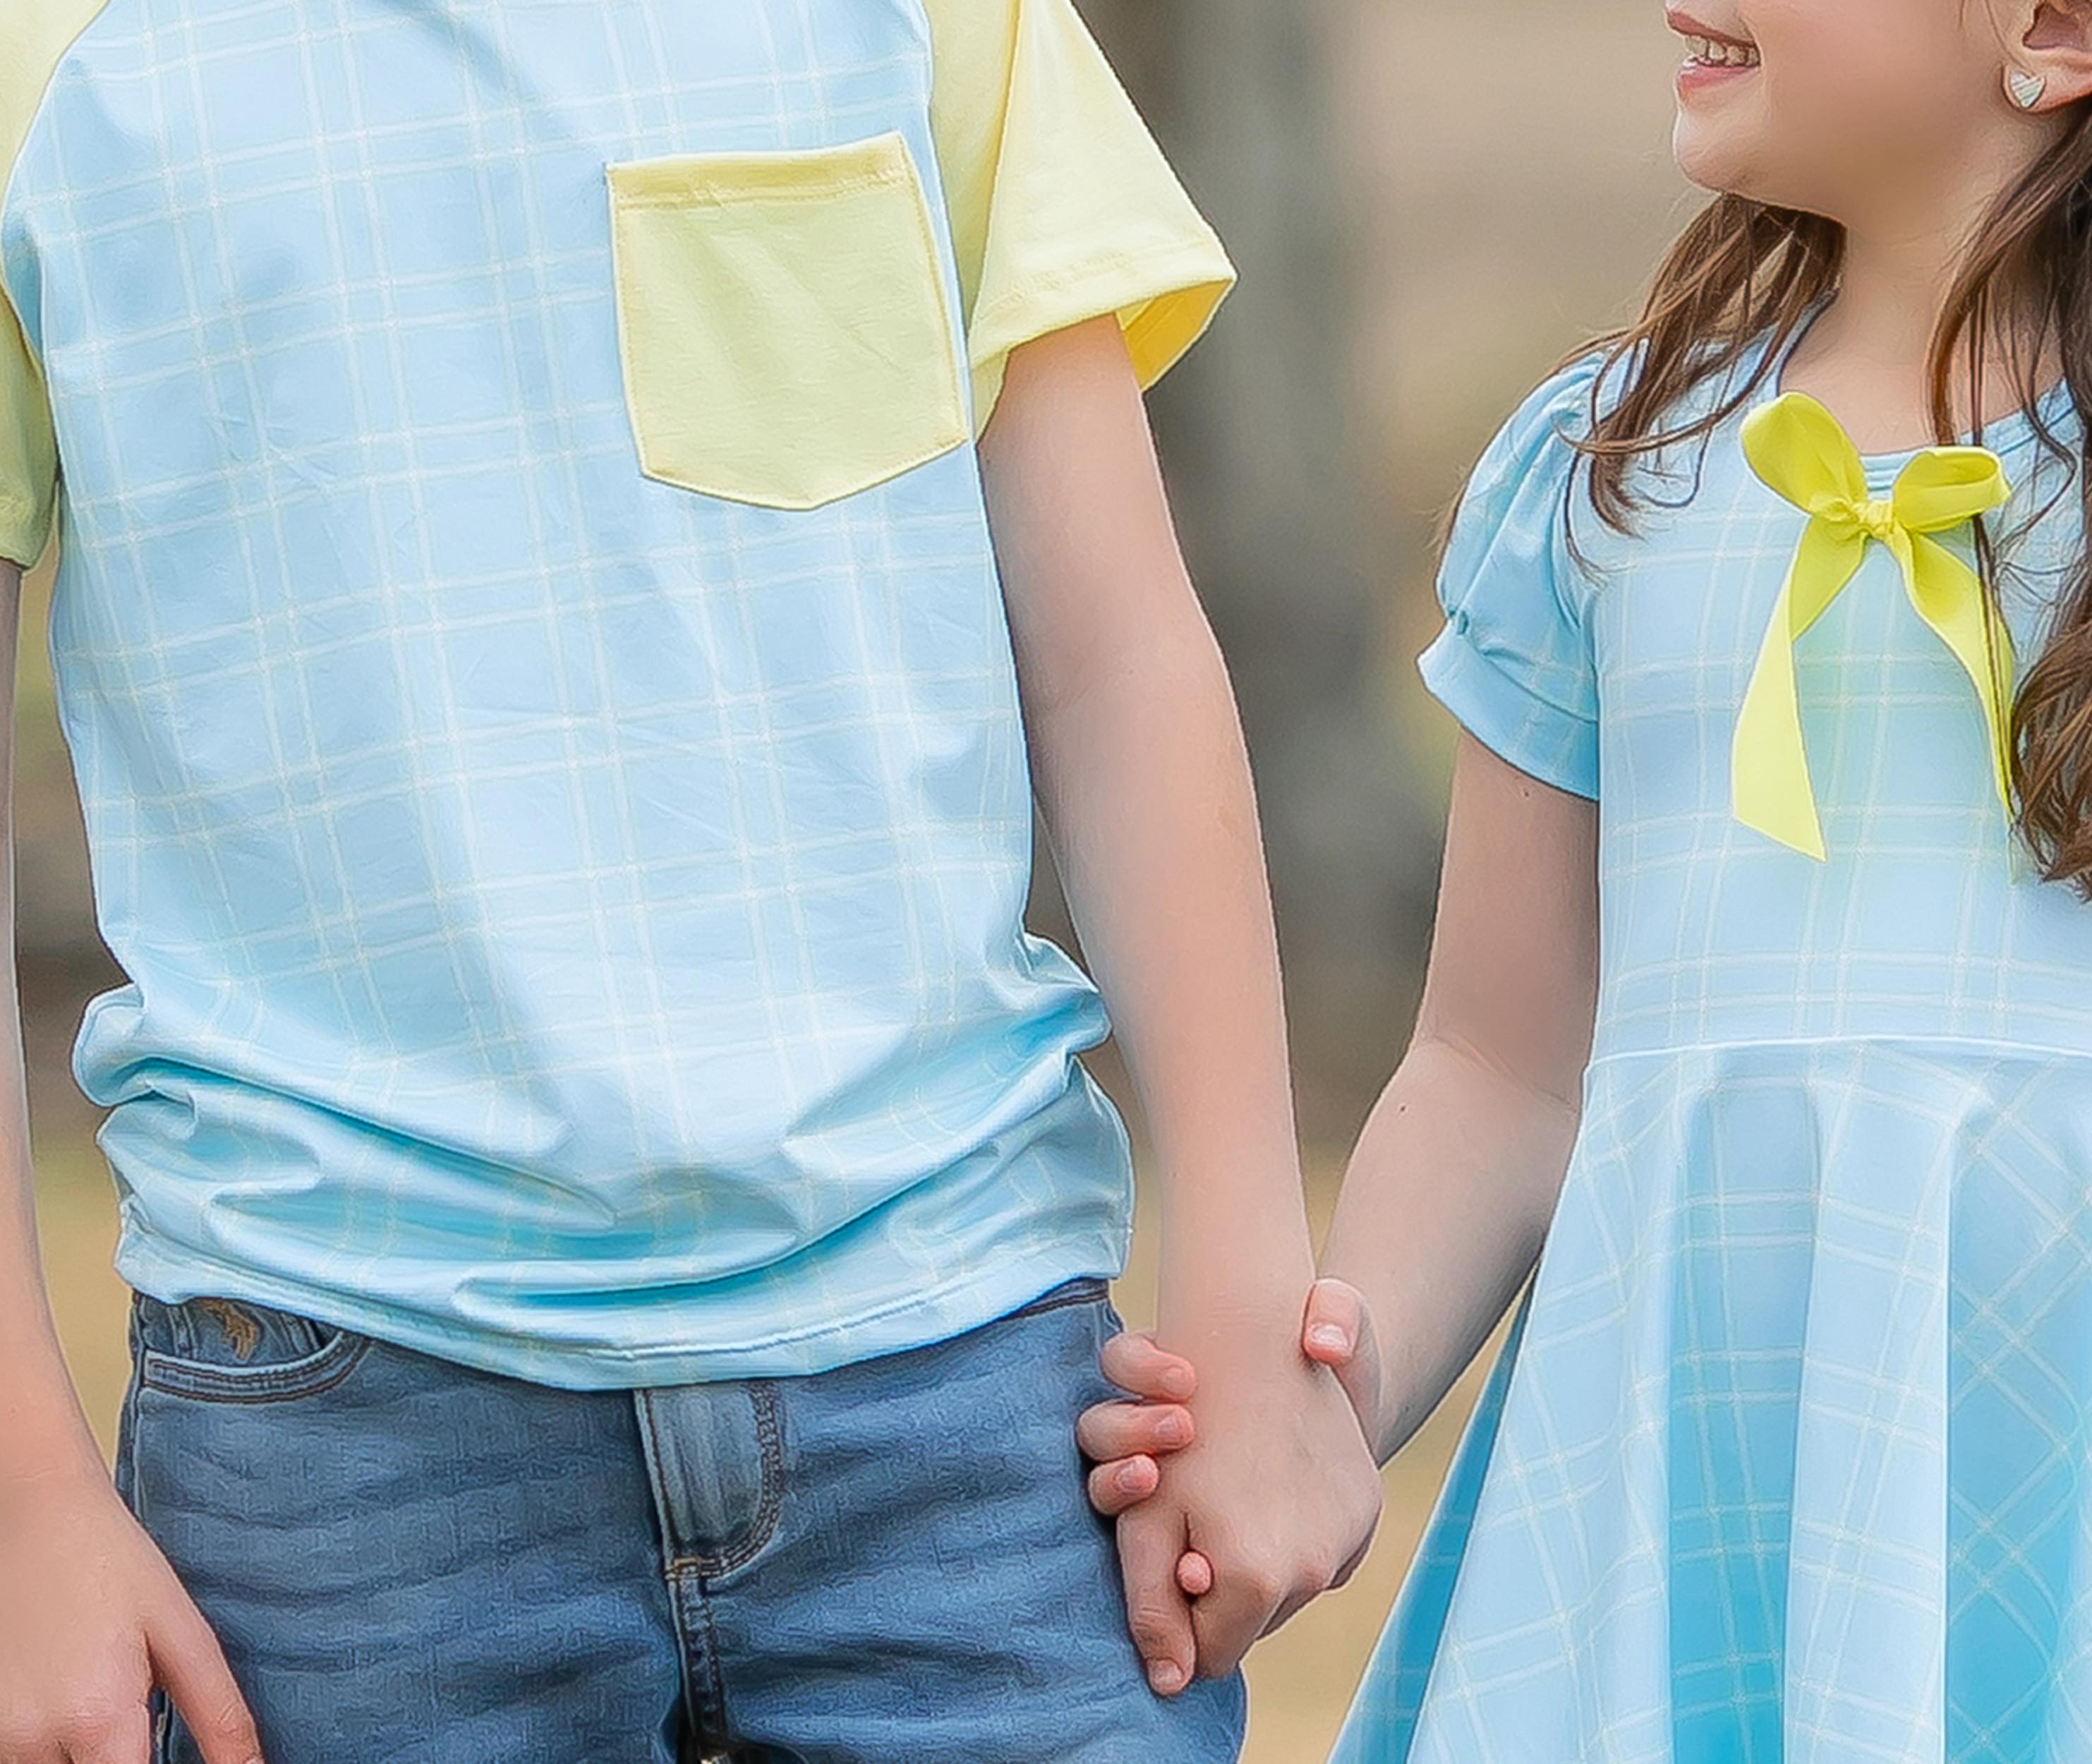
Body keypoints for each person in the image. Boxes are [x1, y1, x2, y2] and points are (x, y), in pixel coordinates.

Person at [1082, 0, 2092, 1753]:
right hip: (1689, 1524)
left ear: (2058, 26)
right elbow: (1499, 1073)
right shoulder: (1612, 470)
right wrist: (1322, 1407)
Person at [0, 0, 1379, 1757]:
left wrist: (1252, 1315)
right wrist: (25, 1501)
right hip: (339, 1445)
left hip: (970, 1391)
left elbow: (1117, 664)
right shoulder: (51, 61)